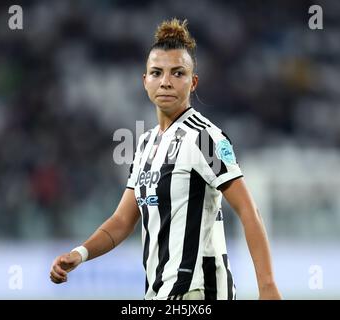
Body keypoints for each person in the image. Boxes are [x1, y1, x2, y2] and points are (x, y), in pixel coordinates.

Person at [50, 18, 281, 300]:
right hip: (159, 294)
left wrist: (267, 287)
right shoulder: (145, 144)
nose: (166, 82)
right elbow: (122, 220)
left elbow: (249, 211)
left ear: (193, 82)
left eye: (178, 73)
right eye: (157, 73)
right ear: (145, 80)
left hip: (199, 292)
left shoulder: (204, 138)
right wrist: (80, 254)